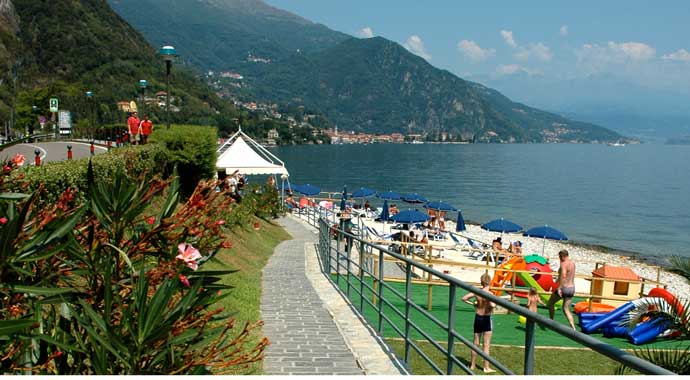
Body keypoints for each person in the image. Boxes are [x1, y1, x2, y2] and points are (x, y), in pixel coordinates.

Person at [462, 273, 496, 373]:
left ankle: (472, 365)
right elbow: (493, 305)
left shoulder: (477, 292)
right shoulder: (490, 294)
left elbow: (464, 298)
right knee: (486, 345)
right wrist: (490, 301)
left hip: (478, 317)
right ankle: (486, 367)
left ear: (481, 282)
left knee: (475, 343)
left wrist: (474, 304)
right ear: (489, 282)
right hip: (486, 318)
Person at [548, 249, 576, 330]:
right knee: (566, 309)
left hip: (564, 288)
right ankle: (573, 328)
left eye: (560, 257)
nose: (559, 259)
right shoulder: (572, 263)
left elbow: (563, 275)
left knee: (550, 303)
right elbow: (568, 274)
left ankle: (551, 321)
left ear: (563, 256)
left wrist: (559, 288)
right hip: (571, 288)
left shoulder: (564, 264)